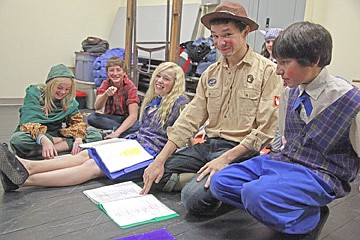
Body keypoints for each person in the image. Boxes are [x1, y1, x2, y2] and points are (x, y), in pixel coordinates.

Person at [209, 21, 360, 238]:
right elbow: (283, 138)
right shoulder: (290, 92)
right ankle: (289, 207)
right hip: (286, 161)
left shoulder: (350, 101)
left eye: (285, 62)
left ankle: (307, 220)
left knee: (254, 194)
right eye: (277, 62)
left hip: (321, 174)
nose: (278, 70)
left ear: (314, 60)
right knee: (221, 181)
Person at [140, 1, 283, 215]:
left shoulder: (268, 72)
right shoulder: (210, 74)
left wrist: (225, 159)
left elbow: (266, 129)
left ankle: (230, 181)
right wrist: (160, 159)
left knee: (192, 198)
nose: (220, 42)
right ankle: (213, 178)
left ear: (245, 32)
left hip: (241, 151)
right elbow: (190, 118)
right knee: (154, 175)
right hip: (208, 146)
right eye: (215, 36)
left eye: (226, 35)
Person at [0, 62, 189, 192]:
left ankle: (25, 179)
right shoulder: (153, 100)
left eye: (166, 79)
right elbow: (98, 108)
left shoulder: (180, 103)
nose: (159, 81)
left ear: (175, 83)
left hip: (149, 153)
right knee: (86, 153)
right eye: (158, 77)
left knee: (92, 165)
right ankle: (28, 165)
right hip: (135, 142)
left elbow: (184, 134)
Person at [9, 64, 102, 159]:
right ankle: (61, 146)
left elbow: (77, 122)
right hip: (35, 135)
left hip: (56, 133)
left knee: (95, 135)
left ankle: (43, 151)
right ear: (51, 85)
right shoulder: (34, 94)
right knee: (17, 140)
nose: (63, 92)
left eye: (67, 89)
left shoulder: (69, 101)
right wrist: (44, 139)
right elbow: (27, 123)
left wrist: (78, 138)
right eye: (59, 88)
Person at [87, 57, 140, 139]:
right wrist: (105, 95)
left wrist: (117, 133)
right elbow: (97, 107)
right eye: (111, 70)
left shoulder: (130, 86)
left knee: (140, 123)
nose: (115, 73)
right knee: (92, 118)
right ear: (107, 72)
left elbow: (133, 115)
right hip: (111, 118)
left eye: (118, 70)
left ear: (124, 72)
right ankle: (124, 132)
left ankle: (114, 132)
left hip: (126, 117)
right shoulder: (105, 83)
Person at [260, 27, 284, 152]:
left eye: (273, 41)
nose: (270, 45)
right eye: (268, 41)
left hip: (280, 99)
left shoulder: (284, 63)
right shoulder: (262, 62)